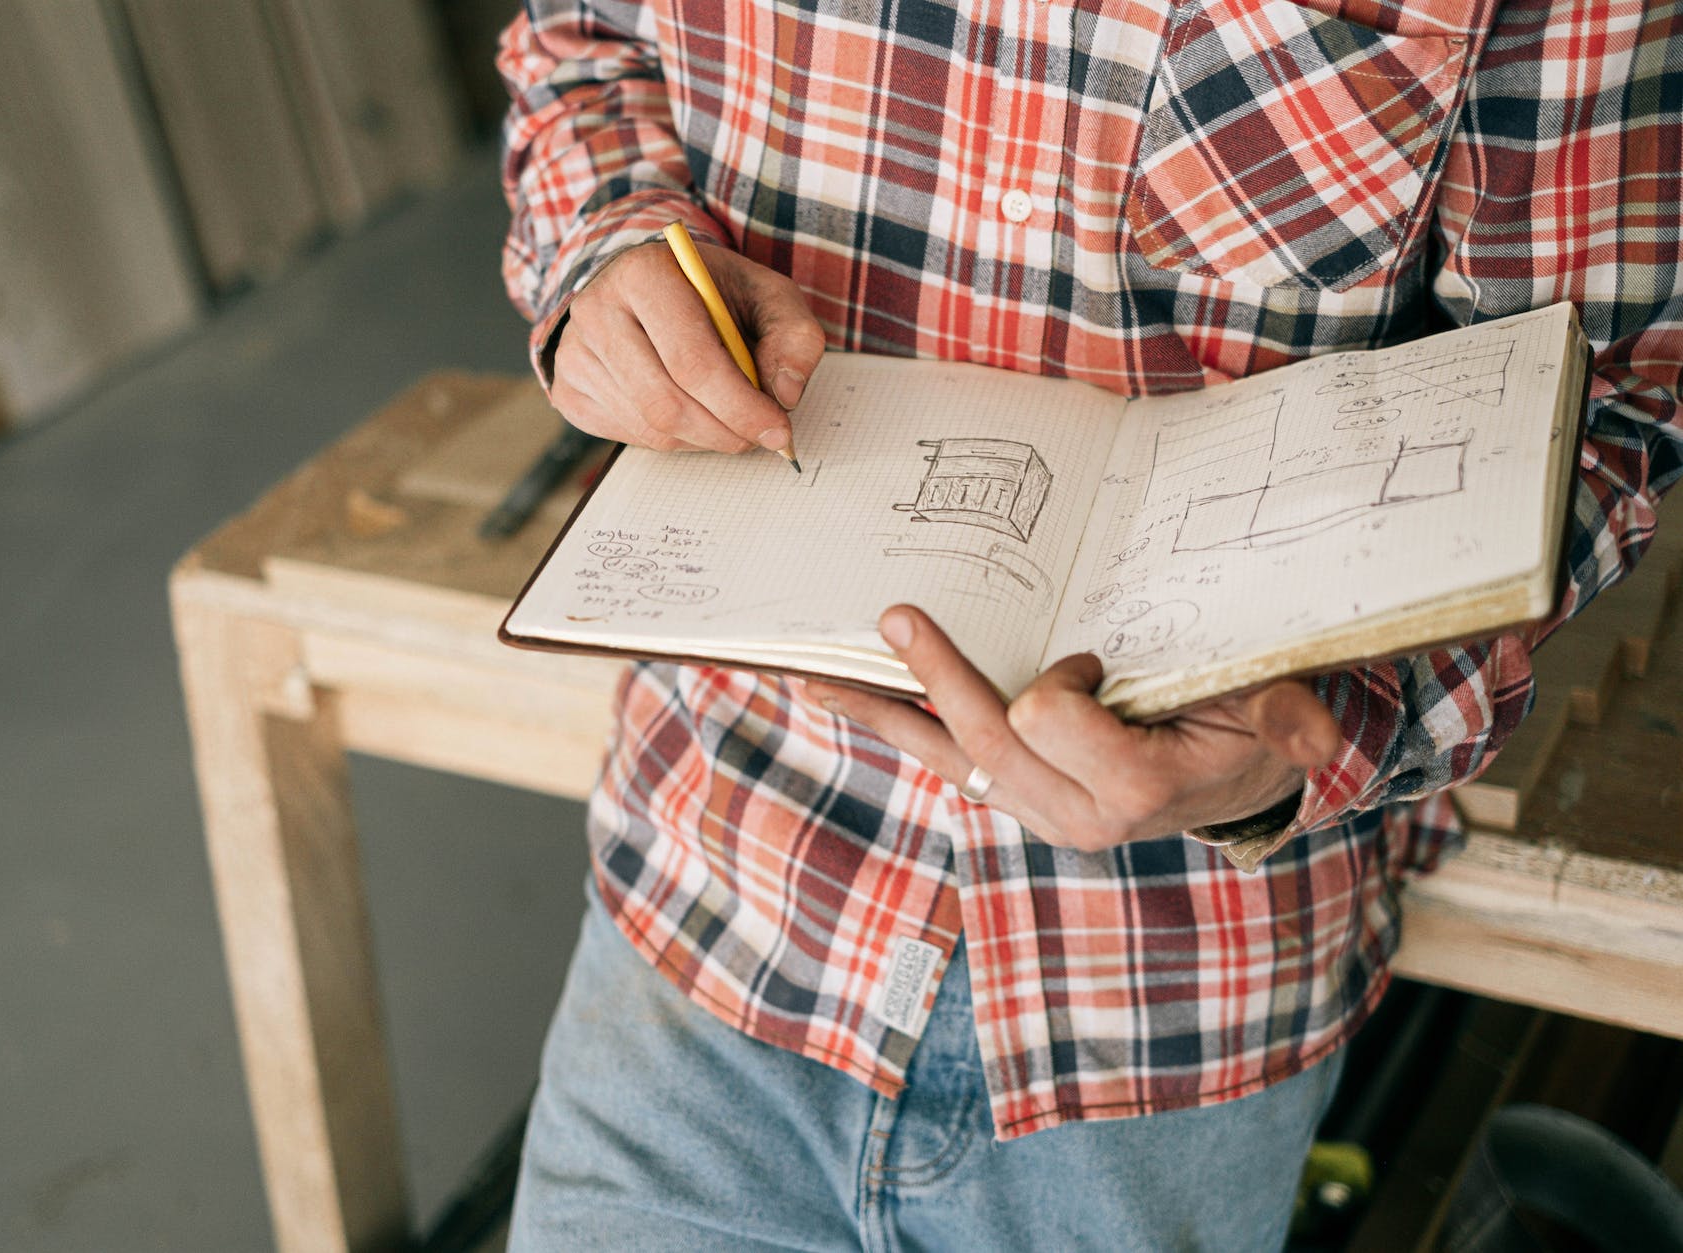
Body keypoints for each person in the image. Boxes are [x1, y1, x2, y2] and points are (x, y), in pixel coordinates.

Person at [496, 0, 1681, 1247]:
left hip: (1170, 1006)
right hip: (712, 885)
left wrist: (1320, 732)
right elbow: (579, 44)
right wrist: (604, 249)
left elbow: (1599, 400)